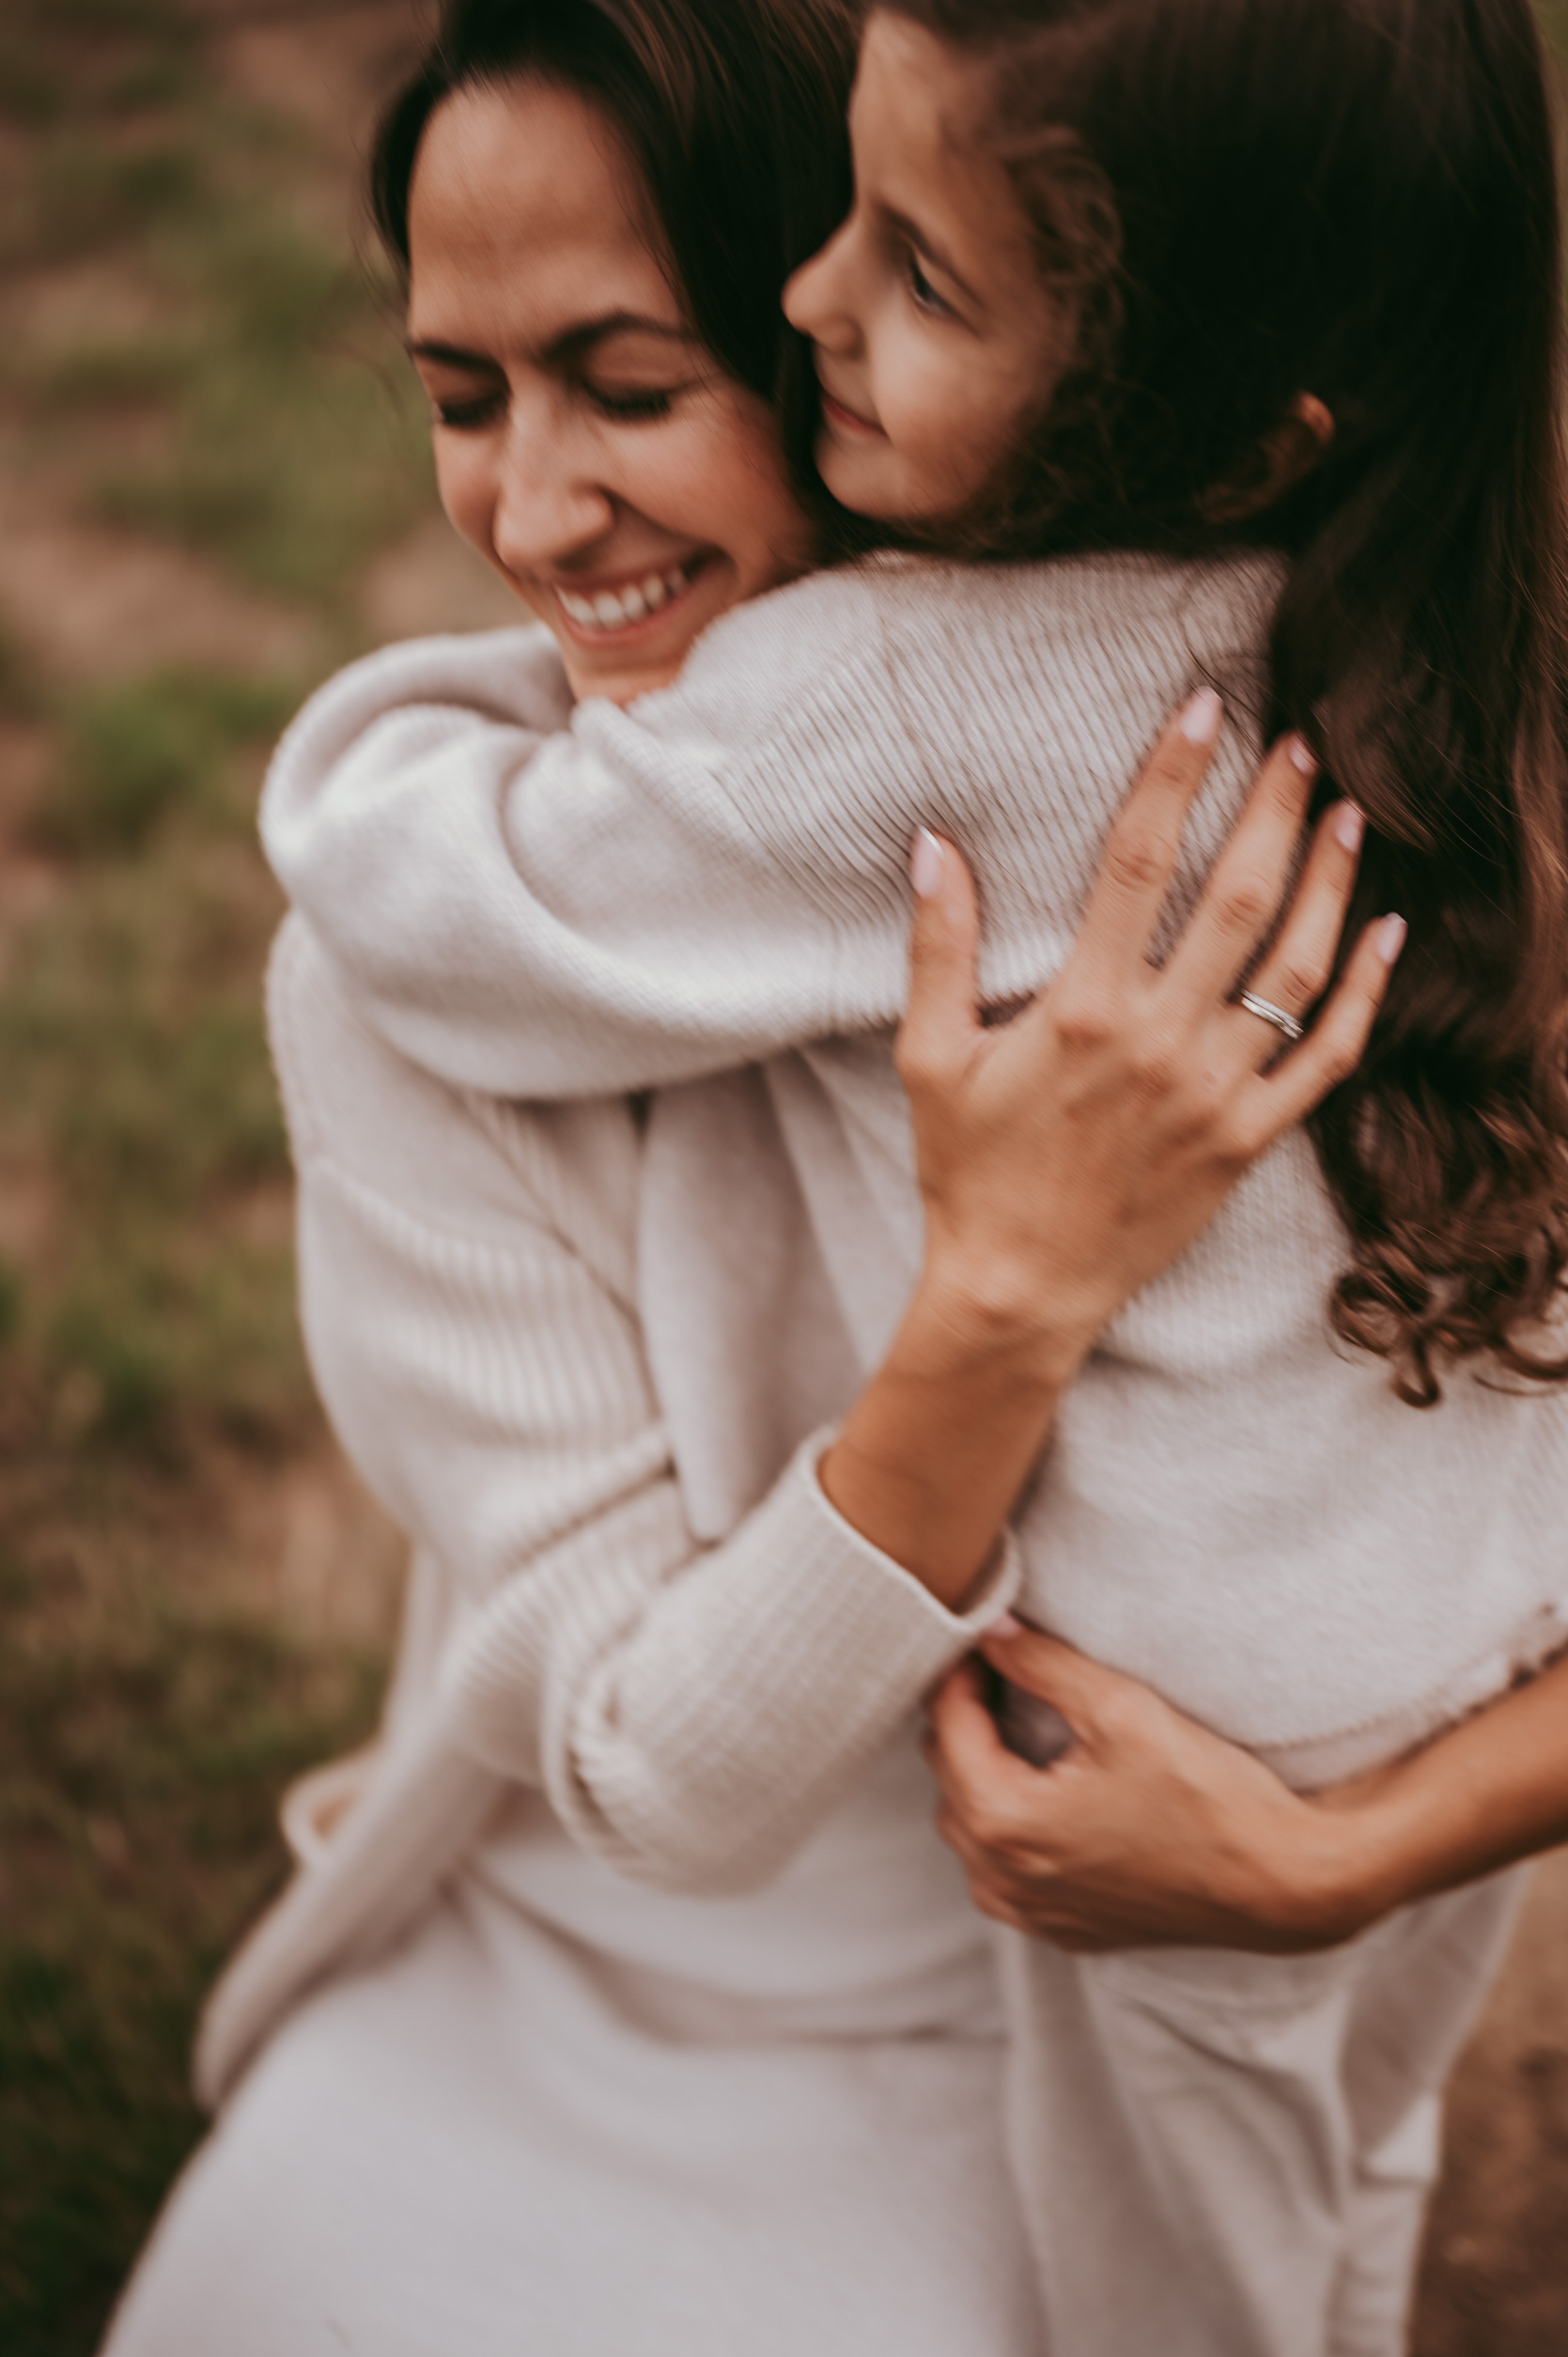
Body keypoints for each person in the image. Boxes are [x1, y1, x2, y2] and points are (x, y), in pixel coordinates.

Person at [262, 0, 1568, 2350]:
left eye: (634, 383)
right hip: (1404, 1671)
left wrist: (374, 742)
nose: (535, 513)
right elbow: (654, 1779)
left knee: (1193, 2278)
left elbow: (419, 891)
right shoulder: (1431, 670)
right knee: (1341, 2160)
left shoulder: (897, 713)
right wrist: (1007, 1295)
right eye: (462, 401)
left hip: (1141, 1800)